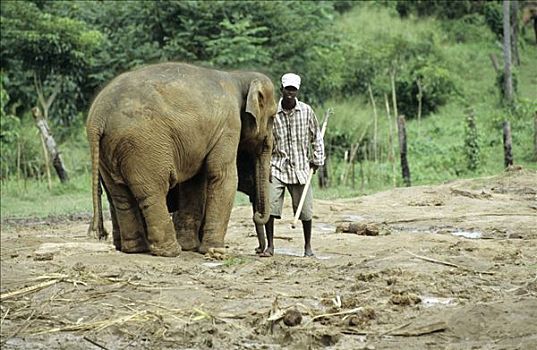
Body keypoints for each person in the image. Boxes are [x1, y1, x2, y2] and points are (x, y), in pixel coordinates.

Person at [258, 73, 325, 257]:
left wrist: (318, 159)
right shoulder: (272, 113)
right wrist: (266, 165)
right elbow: (265, 140)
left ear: (298, 91)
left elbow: (316, 137)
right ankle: (270, 246)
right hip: (278, 166)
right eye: (287, 89)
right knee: (269, 206)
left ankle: (308, 247)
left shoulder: (306, 111)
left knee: (305, 210)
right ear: (282, 89)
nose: (290, 93)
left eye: (293, 89)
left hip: (301, 167)